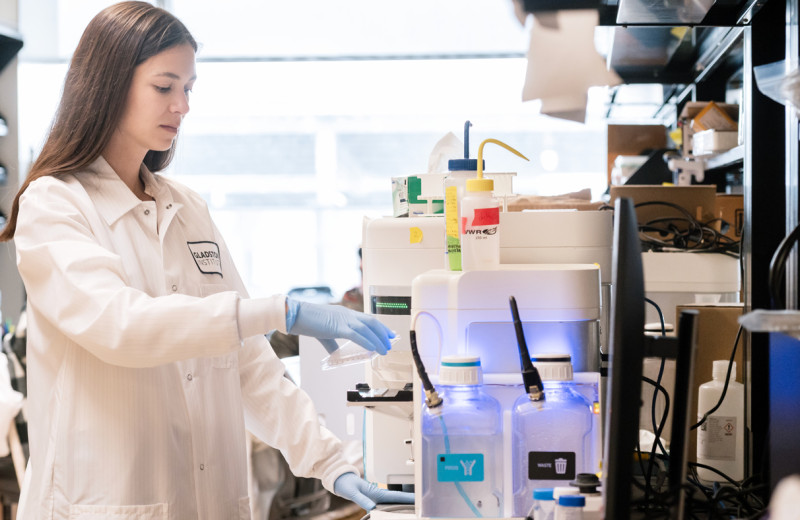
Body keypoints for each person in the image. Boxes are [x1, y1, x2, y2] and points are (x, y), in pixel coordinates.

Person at [0, 3, 413, 519]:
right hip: (104, 505)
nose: (183, 106)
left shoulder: (187, 207)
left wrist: (336, 465)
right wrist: (278, 311)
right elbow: (121, 326)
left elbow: (248, 363)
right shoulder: (55, 204)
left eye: (189, 88)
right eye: (164, 86)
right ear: (107, 85)